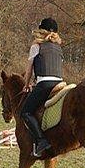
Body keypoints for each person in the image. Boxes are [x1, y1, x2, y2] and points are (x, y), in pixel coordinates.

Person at [21, 17, 63, 157]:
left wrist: (26, 85)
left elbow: (29, 71)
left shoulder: (36, 46)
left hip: (45, 83)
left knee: (25, 113)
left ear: (41, 31)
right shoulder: (58, 48)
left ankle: (41, 141)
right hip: (59, 83)